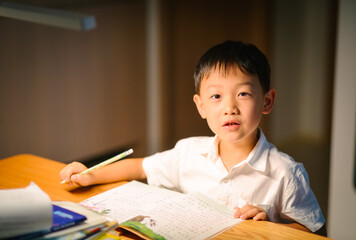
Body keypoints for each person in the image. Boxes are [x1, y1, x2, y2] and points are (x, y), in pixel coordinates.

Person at [59, 40, 326, 236]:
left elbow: (315, 232)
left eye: (243, 94)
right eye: (216, 96)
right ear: (201, 106)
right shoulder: (188, 153)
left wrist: (269, 223)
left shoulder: (285, 173)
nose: (229, 107)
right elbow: (139, 166)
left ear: (267, 101)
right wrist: (89, 175)